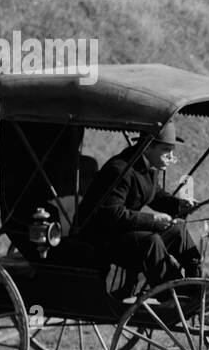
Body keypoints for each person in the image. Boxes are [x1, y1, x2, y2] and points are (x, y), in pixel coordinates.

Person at [80, 120, 202, 294]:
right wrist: (153, 220)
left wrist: (179, 205)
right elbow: (111, 214)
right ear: (147, 147)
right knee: (151, 242)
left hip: (125, 231)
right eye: (166, 150)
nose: (171, 156)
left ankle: (196, 283)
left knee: (178, 230)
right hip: (102, 237)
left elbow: (156, 195)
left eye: (172, 150)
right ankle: (173, 295)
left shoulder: (149, 167)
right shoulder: (120, 170)